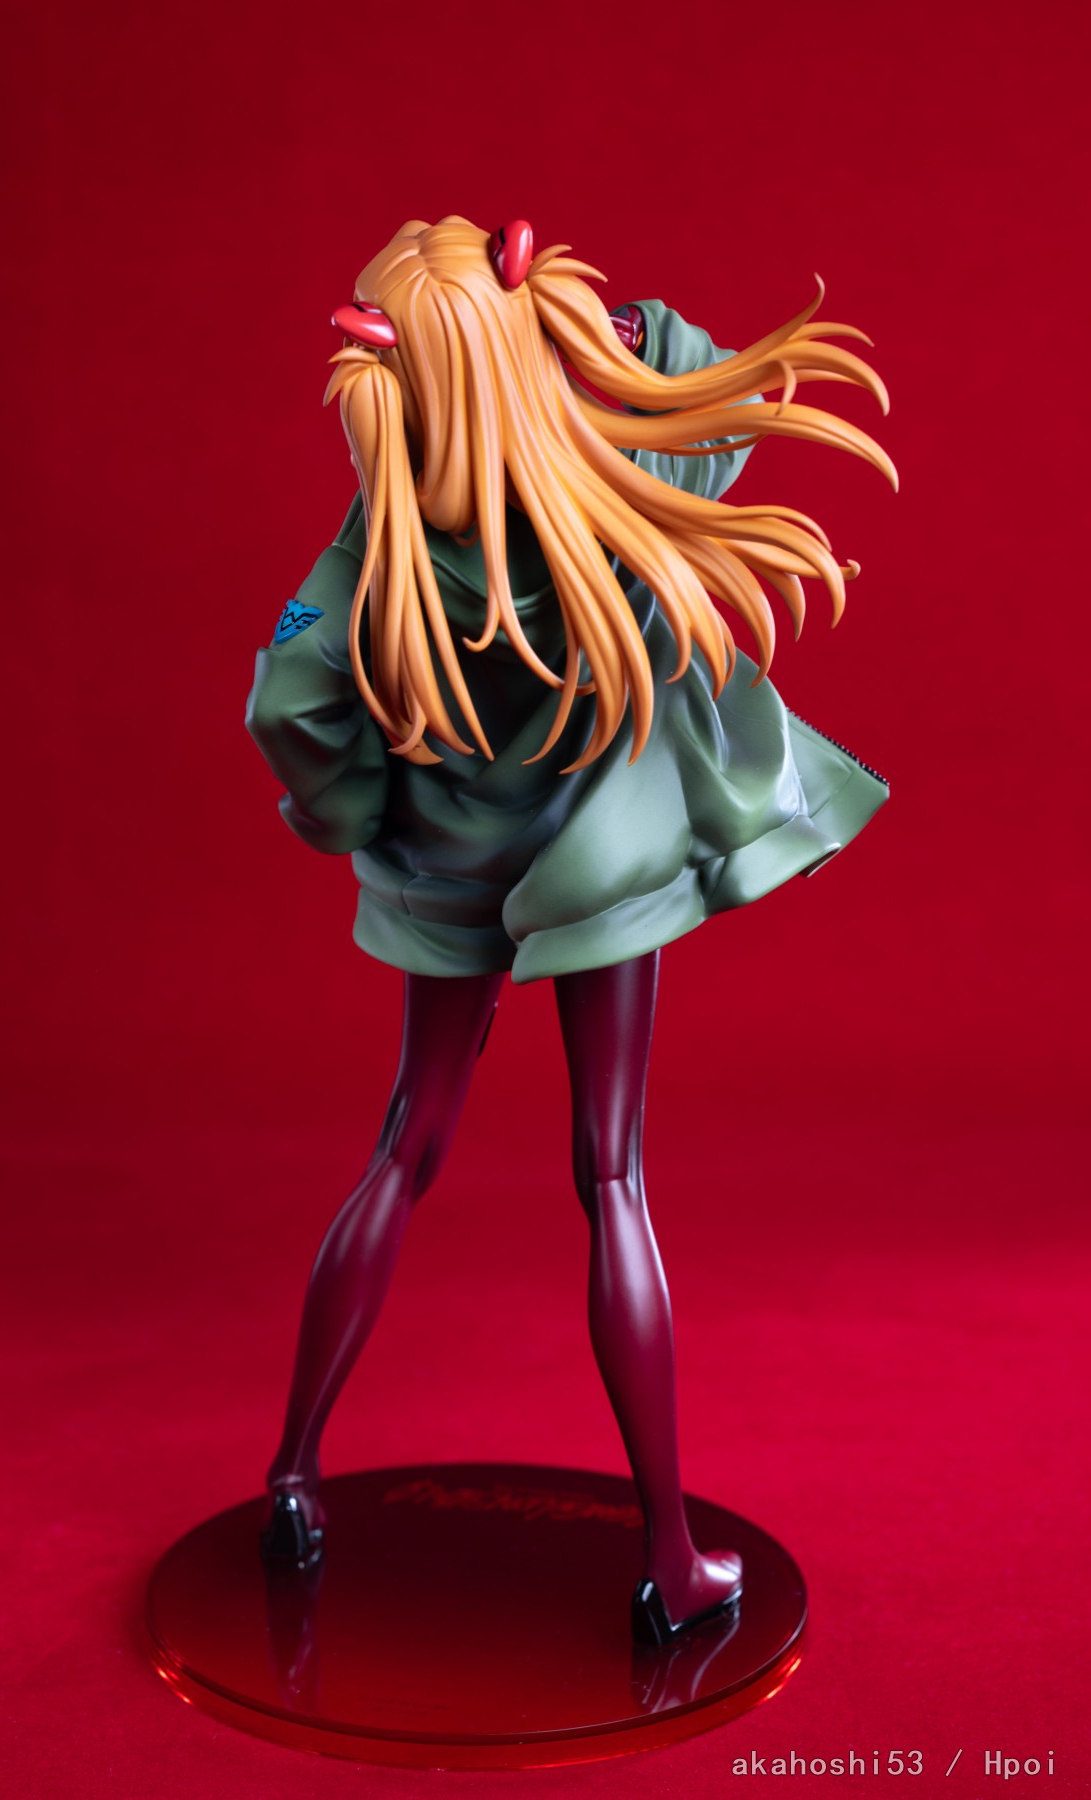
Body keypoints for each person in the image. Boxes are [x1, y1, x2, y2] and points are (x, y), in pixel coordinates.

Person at [246, 215, 894, 1644]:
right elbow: (712, 388)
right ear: (519, 343)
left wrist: (362, 815)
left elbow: (287, 704)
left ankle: (293, 1471)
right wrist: (600, 333)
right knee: (613, 1178)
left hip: (446, 877)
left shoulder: (375, 555)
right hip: (596, 878)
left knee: (404, 1150)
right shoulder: (612, 484)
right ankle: (670, 1557)